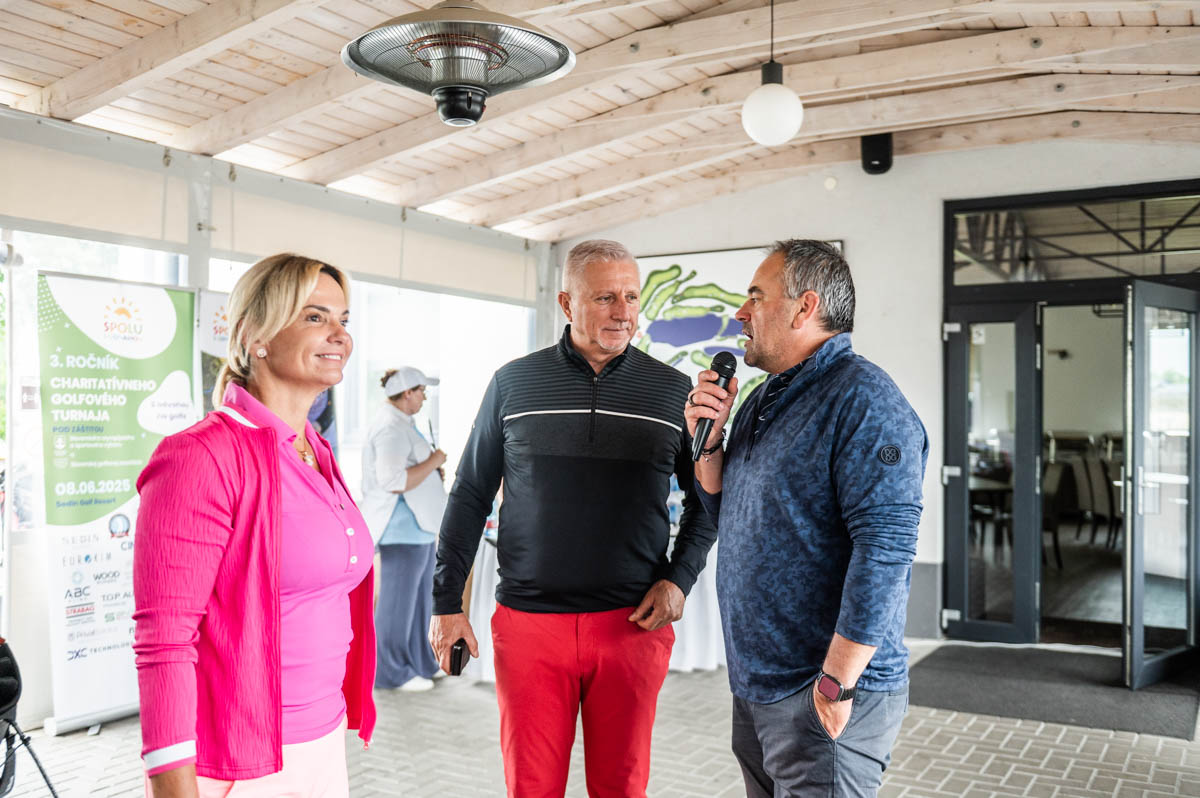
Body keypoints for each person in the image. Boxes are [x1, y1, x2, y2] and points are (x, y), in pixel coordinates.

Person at [429, 239, 717, 798]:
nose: (623, 312)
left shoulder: (671, 391)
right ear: (566, 303)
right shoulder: (513, 383)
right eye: (605, 297)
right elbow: (469, 496)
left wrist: (679, 579)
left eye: (631, 296)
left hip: (632, 625)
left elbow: (707, 499)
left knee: (622, 786)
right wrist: (446, 604)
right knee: (531, 787)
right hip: (530, 624)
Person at [685, 239, 928, 798]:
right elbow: (729, 511)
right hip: (759, 684)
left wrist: (836, 683)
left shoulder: (864, 400)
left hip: (821, 689)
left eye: (755, 297)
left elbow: (886, 548)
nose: (740, 313)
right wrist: (709, 443)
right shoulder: (762, 399)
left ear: (804, 307)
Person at [133, 254, 376, 798]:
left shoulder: (314, 450)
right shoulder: (200, 457)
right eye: (314, 317)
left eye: (343, 319)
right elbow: (164, 641)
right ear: (254, 335)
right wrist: (172, 787)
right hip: (238, 759)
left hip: (322, 736)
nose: (339, 335)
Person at [360, 366, 447, 692]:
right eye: (422, 391)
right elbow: (393, 480)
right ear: (407, 393)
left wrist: (430, 471)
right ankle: (389, 672)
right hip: (401, 531)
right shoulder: (390, 428)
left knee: (420, 602)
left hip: (418, 529)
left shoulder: (402, 424)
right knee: (398, 605)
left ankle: (420, 661)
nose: (424, 397)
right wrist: (434, 462)